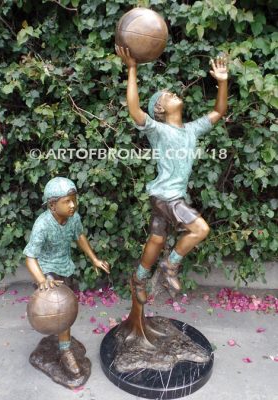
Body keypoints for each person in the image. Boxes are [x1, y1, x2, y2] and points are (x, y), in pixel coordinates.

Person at [116, 46, 228, 304]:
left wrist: (222, 83)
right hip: (168, 197)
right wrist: (132, 68)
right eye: (167, 96)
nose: (173, 94)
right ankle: (171, 265)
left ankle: (139, 278)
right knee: (200, 229)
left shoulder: (192, 129)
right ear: (159, 110)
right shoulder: (157, 130)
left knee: (156, 239)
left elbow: (219, 111)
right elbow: (134, 110)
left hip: (164, 196)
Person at [23, 177, 110, 376]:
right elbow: (30, 257)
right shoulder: (43, 224)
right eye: (67, 201)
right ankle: (65, 351)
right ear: (52, 205)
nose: (73, 205)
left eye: (74, 199)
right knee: (60, 310)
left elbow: (79, 236)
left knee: (67, 310)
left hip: (66, 269)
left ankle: (63, 341)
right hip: (47, 272)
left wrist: (95, 259)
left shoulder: (74, 218)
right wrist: (42, 280)